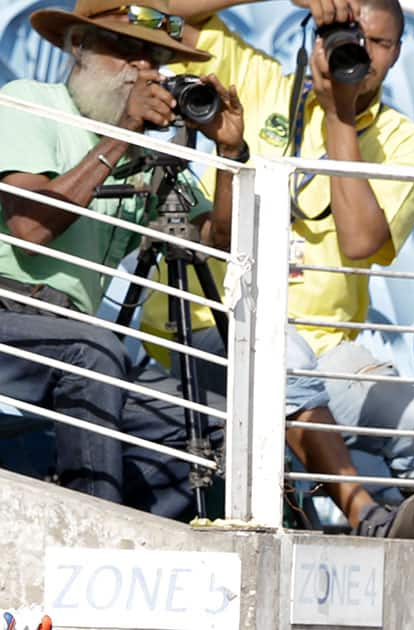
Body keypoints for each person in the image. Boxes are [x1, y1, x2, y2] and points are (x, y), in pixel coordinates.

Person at [151, 0, 414, 538]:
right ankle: (365, 514)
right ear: (313, 34)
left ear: (398, 53)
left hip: (328, 353)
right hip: (225, 326)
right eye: (344, 35)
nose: (359, 50)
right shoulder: (263, 82)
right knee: (281, 355)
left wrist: (341, 113)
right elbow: (170, 12)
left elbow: (360, 240)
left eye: (376, 43)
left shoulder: (410, 143)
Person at [0, 0, 246, 518]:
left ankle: (139, 553)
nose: (140, 68)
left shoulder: (142, 152)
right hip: (10, 311)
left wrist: (229, 154)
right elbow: (30, 227)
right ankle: (92, 537)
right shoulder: (30, 102)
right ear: (78, 46)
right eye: (125, 50)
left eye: (151, 57)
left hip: (70, 334)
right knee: (96, 351)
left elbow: (216, 240)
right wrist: (123, 136)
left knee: (212, 425)